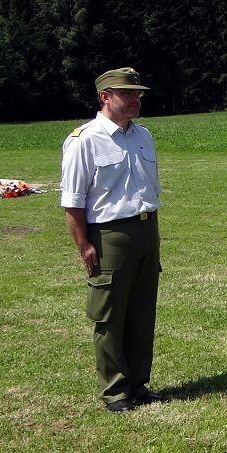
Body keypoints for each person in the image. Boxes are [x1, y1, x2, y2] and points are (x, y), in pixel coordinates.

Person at [60, 67, 164, 413]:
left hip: (146, 230)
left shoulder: (143, 136)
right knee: (109, 316)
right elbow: (73, 201)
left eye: (138, 94)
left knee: (141, 313)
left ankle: (139, 384)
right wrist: (85, 246)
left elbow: (148, 189)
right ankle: (116, 390)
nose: (135, 100)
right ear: (105, 97)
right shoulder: (84, 140)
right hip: (110, 235)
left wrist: (153, 232)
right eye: (127, 94)